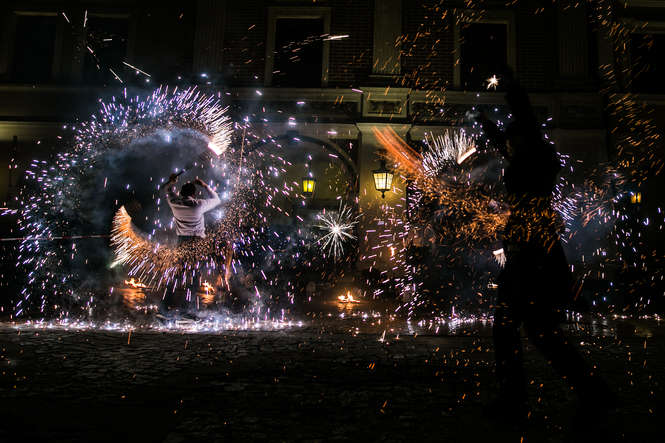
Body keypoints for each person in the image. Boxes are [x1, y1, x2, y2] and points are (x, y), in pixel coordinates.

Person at [476, 71, 613, 424]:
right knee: (539, 332)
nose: (508, 146)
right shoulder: (526, 158)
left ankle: (518, 399)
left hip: (532, 254)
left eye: (513, 140)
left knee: (515, 328)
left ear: (524, 138)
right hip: (531, 251)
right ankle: (590, 391)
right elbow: (506, 143)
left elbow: (525, 119)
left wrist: (512, 88)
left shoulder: (534, 158)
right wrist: (488, 125)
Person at [160, 173, 221, 316]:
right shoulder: (198, 204)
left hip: (181, 242)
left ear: (181, 193)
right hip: (196, 243)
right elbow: (217, 199)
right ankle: (188, 311)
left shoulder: (174, 202)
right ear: (194, 194)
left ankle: (164, 309)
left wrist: (171, 181)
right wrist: (204, 185)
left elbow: (167, 190)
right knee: (194, 277)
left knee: (176, 275)